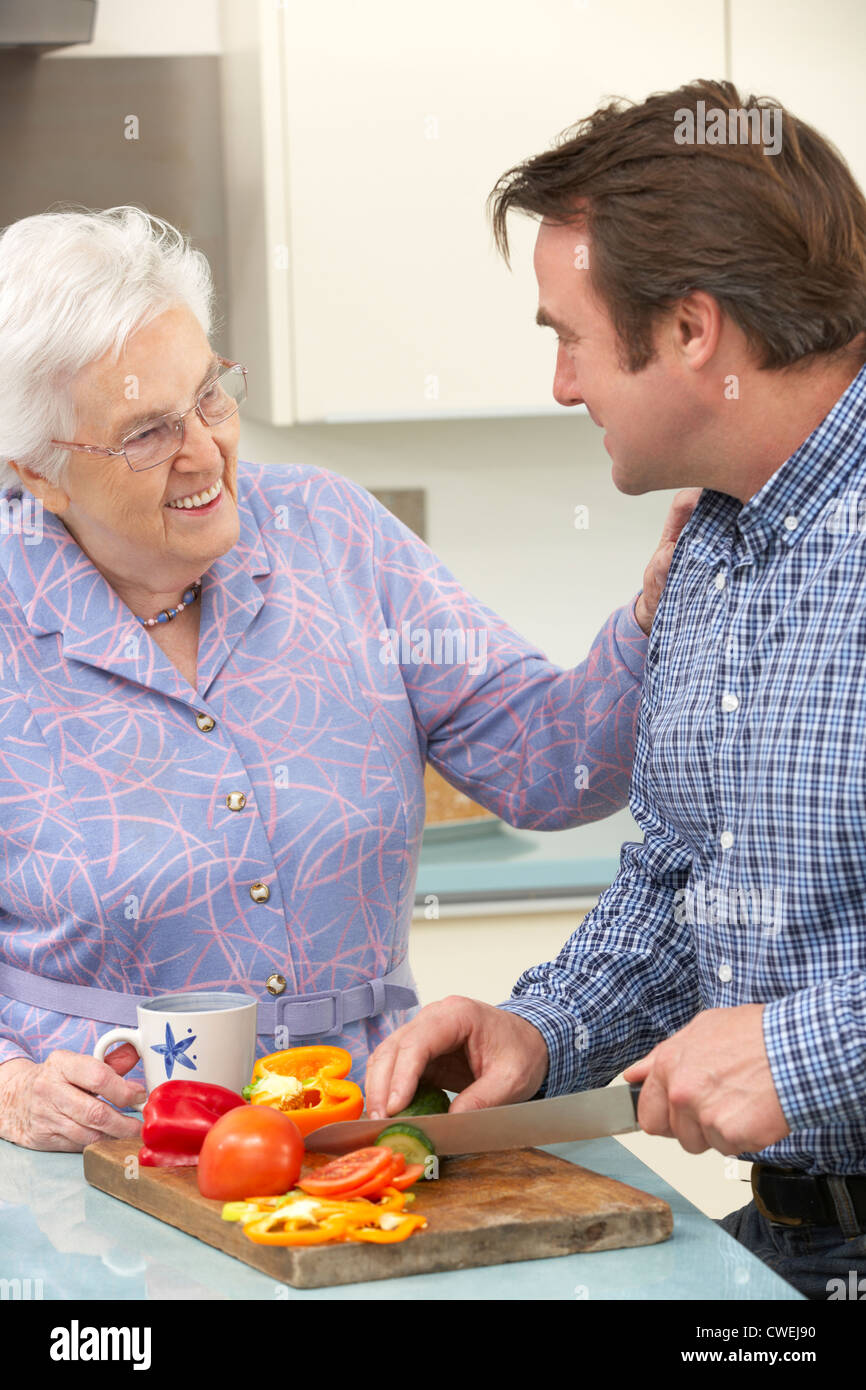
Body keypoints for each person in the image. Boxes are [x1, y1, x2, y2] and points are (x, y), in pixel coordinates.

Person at [0, 205, 691, 1152]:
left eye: (209, 396)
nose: (204, 451)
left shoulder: (332, 533)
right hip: (103, 1164)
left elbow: (551, 762)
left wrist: (654, 618)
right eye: (146, 432)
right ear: (38, 472)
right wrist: (10, 1087)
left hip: (360, 1140)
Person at [365, 78, 866, 1301]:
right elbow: (677, 876)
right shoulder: (710, 540)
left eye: (565, 334)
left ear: (690, 330)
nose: (561, 384)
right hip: (800, 1240)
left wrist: (807, 1056)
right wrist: (540, 1035)